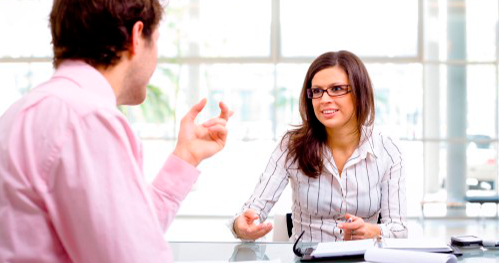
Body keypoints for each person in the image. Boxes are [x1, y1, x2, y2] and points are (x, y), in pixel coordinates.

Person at [0, 0, 231, 262]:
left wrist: (186, 157)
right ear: (136, 36)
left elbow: (122, 233)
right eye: (155, 40)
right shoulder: (86, 119)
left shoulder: (19, 113)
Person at [230, 51, 407, 242]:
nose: (324, 100)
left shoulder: (387, 151)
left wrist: (372, 231)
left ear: (359, 92)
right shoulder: (292, 145)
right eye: (316, 91)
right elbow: (252, 211)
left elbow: (399, 230)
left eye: (337, 88)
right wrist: (241, 227)